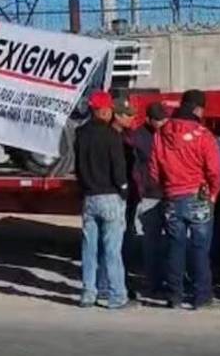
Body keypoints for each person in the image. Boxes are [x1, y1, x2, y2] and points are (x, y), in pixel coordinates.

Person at [150, 89, 220, 310]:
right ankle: (201, 296)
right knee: (200, 248)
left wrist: (166, 187)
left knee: (175, 245)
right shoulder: (203, 135)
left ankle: (174, 295)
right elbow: (214, 171)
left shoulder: (161, 133)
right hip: (198, 196)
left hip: (172, 196)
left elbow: (153, 170)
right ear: (198, 108)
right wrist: (213, 192)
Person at [73, 91, 132, 310]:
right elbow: (119, 169)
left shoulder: (80, 134)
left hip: (89, 196)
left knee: (89, 249)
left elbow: (78, 167)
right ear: (104, 110)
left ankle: (88, 293)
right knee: (112, 250)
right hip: (110, 196)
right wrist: (124, 190)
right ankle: (117, 295)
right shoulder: (111, 136)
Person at [127, 102, 168, 298]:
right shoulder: (139, 137)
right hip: (150, 195)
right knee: (151, 241)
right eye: (158, 120)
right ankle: (154, 282)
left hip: (168, 193)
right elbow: (140, 164)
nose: (161, 123)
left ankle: (166, 278)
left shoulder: (168, 133)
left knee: (169, 240)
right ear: (149, 119)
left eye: (163, 119)